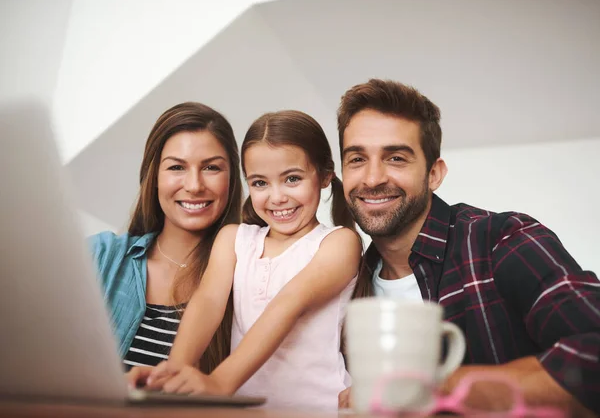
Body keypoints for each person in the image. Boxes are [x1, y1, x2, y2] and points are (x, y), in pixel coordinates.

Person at [337, 79, 600, 415]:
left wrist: (432, 387)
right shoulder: (344, 281)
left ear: (434, 174)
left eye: (396, 158)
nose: (372, 179)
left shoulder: (502, 239)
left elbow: (593, 351)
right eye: (357, 159)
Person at [129, 110, 361, 410]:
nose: (276, 197)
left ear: (325, 176)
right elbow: (208, 302)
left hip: (320, 409)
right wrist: (175, 371)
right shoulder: (235, 239)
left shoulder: (339, 243)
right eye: (260, 183)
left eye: (292, 179)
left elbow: (288, 304)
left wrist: (219, 383)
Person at [89, 102, 242, 374]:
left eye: (211, 168)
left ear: (231, 177)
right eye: (176, 168)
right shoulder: (98, 257)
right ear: (154, 176)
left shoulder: (252, 276)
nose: (194, 186)